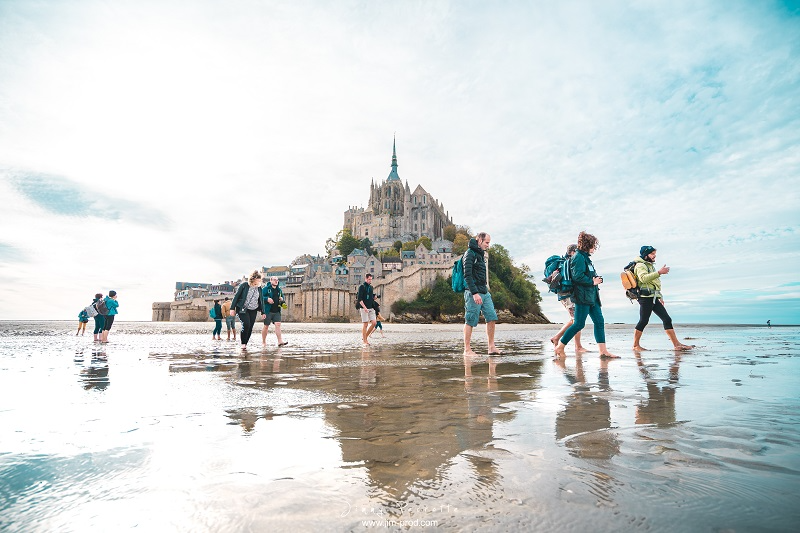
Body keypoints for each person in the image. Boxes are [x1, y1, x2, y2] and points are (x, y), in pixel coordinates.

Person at [554, 232, 618, 359]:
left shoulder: (585, 258)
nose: (595, 248)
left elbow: (586, 274)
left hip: (592, 296)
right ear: (588, 245)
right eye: (594, 245)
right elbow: (577, 276)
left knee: (599, 321)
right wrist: (592, 281)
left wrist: (596, 279)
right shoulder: (578, 257)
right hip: (582, 296)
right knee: (579, 324)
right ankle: (560, 347)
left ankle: (603, 351)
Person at [632, 245, 694, 351]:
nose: (654, 256)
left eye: (655, 254)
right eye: (652, 254)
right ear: (645, 255)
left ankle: (676, 345)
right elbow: (643, 279)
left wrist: (660, 296)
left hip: (653, 297)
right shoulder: (640, 265)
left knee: (667, 319)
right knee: (643, 321)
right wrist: (659, 272)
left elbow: (654, 283)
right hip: (645, 297)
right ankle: (635, 345)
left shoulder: (649, 265)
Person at [463, 232, 501, 356]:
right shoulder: (470, 253)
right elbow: (467, 275)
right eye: (486, 242)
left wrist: (484, 290)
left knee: (492, 317)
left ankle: (491, 347)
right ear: (479, 240)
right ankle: (467, 350)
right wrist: (474, 293)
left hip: (484, 291)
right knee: (470, 320)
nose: (488, 245)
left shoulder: (481, 254)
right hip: (472, 292)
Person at [549, 244, 587, 353]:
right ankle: (578, 346)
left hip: (565, 295)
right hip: (568, 295)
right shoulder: (570, 262)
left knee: (574, 319)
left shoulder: (565, 263)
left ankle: (556, 338)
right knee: (576, 320)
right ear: (573, 251)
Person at [230, 271, 264, 351]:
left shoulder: (259, 288)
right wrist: (232, 308)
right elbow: (236, 296)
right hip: (242, 308)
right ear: (253, 279)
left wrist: (263, 312)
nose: (259, 281)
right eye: (258, 280)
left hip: (253, 309)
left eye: (260, 280)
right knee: (246, 324)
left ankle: (245, 344)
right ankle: (243, 343)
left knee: (250, 327)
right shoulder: (244, 285)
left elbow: (261, 300)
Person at [261, 276, 288, 347]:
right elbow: (260, 297)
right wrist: (267, 299)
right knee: (266, 326)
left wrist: (282, 299)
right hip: (268, 311)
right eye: (274, 280)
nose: (276, 281)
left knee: (278, 324)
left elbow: (282, 298)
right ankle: (263, 342)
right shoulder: (265, 289)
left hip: (277, 310)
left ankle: (280, 341)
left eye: (277, 280)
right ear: (270, 280)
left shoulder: (279, 290)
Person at [357, 273, 377, 345]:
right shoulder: (362, 287)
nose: (370, 281)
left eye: (371, 279)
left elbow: (370, 297)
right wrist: (364, 307)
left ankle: (365, 337)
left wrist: (374, 297)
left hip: (371, 307)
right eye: (369, 279)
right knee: (365, 324)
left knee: (374, 323)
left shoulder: (371, 287)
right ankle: (365, 341)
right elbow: (359, 299)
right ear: (365, 279)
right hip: (363, 308)